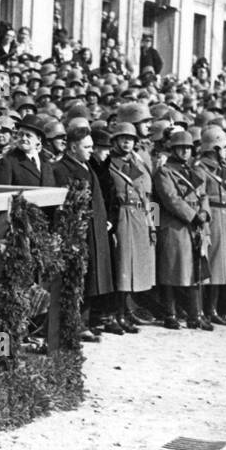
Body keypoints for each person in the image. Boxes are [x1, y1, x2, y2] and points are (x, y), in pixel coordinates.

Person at [56, 124, 116, 339]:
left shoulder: (86, 166)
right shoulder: (61, 168)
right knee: (78, 277)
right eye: (87, 146)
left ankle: (84, 322)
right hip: (79, 232)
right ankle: (74, 325)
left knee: (91, 278)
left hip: (95, 229)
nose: (92, 150)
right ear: (73, 147)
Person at [152, 130, 211, 329]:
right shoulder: (164, 171)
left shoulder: (196, 171)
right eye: (180, 148)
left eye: (188, 148)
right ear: (173, 149)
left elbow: (204, 195)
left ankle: (195, 315)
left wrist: (204, 213)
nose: (185, 152)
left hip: (195, 224)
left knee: (196, 269)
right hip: (175, 225)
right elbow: (170, 199)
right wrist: (193, 216)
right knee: (172, 270)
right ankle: (170, 314)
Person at [105, 122, 155, 330]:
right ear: (115, 141)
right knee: (123, 265)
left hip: (140, 216)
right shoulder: (110, 163)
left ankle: (128, 310)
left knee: (135, 267)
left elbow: (147, 195)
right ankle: (118, 313)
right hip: (122, 214)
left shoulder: (138, 163)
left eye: (131, 139)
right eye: (123, 138)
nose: (127, 142)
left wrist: (153, 224)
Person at [196, 126, 226, 324]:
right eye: (224, 148)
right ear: (214, 149)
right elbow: (199, 197)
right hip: (212, 218)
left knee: (222, 266)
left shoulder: (224, 168)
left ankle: (215, 308)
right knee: (212, 266)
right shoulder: (200, 169)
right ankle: (208, 309)